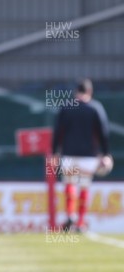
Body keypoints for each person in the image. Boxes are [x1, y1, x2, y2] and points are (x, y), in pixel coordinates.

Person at [52, 79, 112, 232]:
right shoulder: (95, 108)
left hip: (69, 155)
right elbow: (104, 132)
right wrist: (105, 154)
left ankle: (70, 215)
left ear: (75, 92)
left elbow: (57, 132)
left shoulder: (66, 107)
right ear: (90, 92)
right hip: (89, 157)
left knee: (70, 184)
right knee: (84, 186)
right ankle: (80, 222)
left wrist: (54, 153)